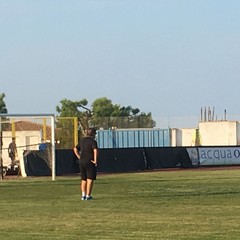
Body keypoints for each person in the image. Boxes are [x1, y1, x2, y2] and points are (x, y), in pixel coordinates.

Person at [73, 128, 98, 200]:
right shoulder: (93, 141)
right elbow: (95, 150)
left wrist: (79, 157)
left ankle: (83, 195)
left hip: (82, 161)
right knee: (90, 178)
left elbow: (75, 149)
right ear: (92, 134)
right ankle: (88, 195)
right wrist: (95, 160)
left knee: (83, 179)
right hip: (89, 161)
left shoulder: (82, 141)